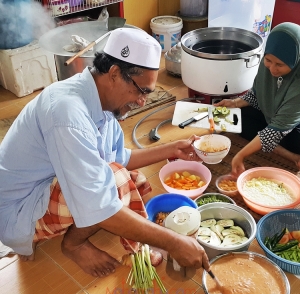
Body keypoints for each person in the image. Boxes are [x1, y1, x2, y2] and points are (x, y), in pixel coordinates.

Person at [0, 28, 210, 277]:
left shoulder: (102, 100)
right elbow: (100, 203)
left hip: (46, 186)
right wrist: (174, 242)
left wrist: (173, 148)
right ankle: (73, 244)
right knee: (117, 181)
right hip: (18, 209)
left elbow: (120, 157)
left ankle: (80, 233)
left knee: (130, 179)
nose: (142, 102)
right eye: (141, 91)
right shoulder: (68, 114)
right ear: (114, 74)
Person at [216, 22, 300, 176]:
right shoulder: (267, 62)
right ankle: (290, 156)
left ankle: (294, 156)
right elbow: (257, 93)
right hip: (274, 115)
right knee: (237, 117)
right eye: (268, 61)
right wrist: (234, 103)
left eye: (279, 65)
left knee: (294, 141)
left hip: (293, 127)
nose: (272, 69)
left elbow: (277, 129)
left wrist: (240, 155)